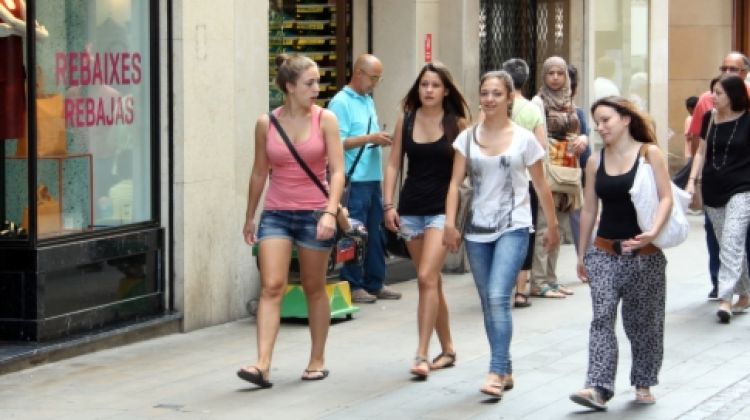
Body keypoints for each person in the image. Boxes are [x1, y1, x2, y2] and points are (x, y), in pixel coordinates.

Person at [443, 70, 560, 398]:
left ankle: (495, 371)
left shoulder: (524, 139)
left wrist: (551, 227)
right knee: (488, 302)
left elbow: (541, 185)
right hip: (476, 229)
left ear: (509, 97)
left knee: (498, 296)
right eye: (485, 93)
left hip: (514, 225)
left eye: (496, 93)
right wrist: (450, 224)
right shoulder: (466, 138)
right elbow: (454, 183)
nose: (489, 99)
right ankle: (505, 368)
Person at [238, 54, 345, 388]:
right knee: (272, 286)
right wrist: (250, 216)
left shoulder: (326, 120)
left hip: (315, 213)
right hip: (277, 213)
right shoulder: (266, 123)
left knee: (314, 287)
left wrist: (330, 211)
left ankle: (317, 358)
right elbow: (259, 171)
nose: (317, 88)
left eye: (317, 82)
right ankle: (262, 364)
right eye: (309, 83)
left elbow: (337, 171)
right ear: (289, 87)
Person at [570, 96, 672, 410]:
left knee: (644, 323)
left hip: (645, 254)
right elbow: (588, 208)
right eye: (597, 122)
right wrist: (582, 252)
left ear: (625, 119)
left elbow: (666, 197)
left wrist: (653, 231)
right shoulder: (594, 161)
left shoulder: (649, 154)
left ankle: (643, 382)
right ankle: (597, 387)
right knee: (601, 318)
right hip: (604, 252)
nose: (600, 128)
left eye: (606, 120)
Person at [383, 62, 469, 378]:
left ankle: (421, 354)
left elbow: (459, 178)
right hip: (410, 209)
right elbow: (393, 165)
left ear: (446, 90)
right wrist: (388, 204)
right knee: (430, 281)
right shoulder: (405, 121)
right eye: (423, 85)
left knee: (424, 278)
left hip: (441, 211)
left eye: (434, 85)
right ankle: (448, 348)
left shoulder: (457, 124)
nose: (428, 90)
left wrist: (452, 220)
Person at [328, 54, 402, 303]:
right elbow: (335, 143)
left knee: (375, 233)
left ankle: (375, 281)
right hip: (354, 181)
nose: (375, 84)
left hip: (372, 178)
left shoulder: (367, 100)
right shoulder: (340, 102)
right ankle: (353, 284)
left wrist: (377, 139)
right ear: (358, 73)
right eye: (373, 78)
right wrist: (370, 139)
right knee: (353, 234)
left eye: (379, 79)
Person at [686, 52, 750, 300]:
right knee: (727, 245)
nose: (712, 96)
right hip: (713, 188)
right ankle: (744, 293)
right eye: (723, 67)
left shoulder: (747, 118)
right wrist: (692, 181)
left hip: (742, 189)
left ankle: (724, 297)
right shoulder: (708, 116)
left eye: (719, 93)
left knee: (733, 241)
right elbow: (699, 151)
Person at [530, 56, 586, 298]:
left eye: (560, 73)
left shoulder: (570, 102)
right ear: (543, 76)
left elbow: (577, 131)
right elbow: (534, 139)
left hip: (568, 174)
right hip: (548, 172)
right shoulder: (538, 103)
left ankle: (551, 279)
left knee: (559, 228)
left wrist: (582, 139)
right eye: (550, 73)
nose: (555, 78)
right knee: (545, 225)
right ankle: (538, 280)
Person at [501, 58, 547, 309]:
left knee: (501, 231)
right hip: (527, 181)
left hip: (499, 181)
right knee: (525, 233)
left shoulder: (494, 105)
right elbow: (541, 147)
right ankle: (521, 291)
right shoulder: (531, 109)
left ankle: (502, 287)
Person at [0, 0, 48, 139]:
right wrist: (22, 30)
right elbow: (35, 32)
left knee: (11, 117)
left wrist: (13, 27)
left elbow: (42, 35)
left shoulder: (19, 1)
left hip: (13, 70)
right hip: (6, 68)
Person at [567, 64, 591, 256]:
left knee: (579, 217)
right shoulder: (538, 108)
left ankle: (586, 260)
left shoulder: (578, 112)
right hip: (549, 173)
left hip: (574, 173)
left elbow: (586, 154)